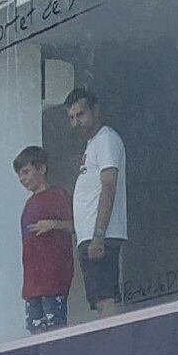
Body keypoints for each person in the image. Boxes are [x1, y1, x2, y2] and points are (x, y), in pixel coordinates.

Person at [62, 85, 126, 316]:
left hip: (101, 235)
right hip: (89, 235)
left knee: (105, 298)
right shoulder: (92, 146)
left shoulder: (106, 139)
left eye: (81, 115)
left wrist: (99, 234)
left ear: (94, 110)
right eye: (71, 118)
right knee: (98, 299)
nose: (76, 123)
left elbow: (109, 186)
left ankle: (115, 347)